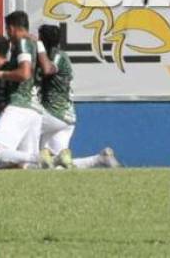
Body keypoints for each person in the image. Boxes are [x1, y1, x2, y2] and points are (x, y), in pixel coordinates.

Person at [35, 24, 121, 170]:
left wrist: (37, 45)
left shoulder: (58, 56)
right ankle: (100, 159)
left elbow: (48, 69)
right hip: (67, 117)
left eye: (40, 39)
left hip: (55, 114)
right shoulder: (50, 56)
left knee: (23, 124)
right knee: (55, 166)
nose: (38, 42)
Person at [0, 10, 42, 168]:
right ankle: (41, 159)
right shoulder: (34, 43)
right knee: (21, 168)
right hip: (34, 108)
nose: (8, 35)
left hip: (20, 104)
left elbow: (25, 73)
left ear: (12, 28)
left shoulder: (22, 43)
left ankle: (39, 158)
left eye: (8, 30)